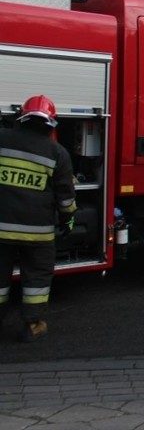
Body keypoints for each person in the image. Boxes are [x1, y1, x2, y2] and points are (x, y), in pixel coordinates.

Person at [0, 95, 76, 342]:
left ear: (21, 117)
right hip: (38, 233)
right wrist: (68, 220)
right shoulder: (58, 153)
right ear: (50, 123)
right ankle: (32, 326)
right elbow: (65, 198)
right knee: (37, 279)